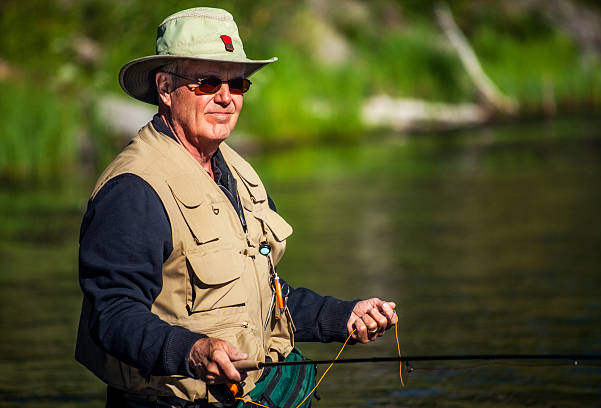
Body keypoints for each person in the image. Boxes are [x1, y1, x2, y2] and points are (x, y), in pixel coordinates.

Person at [75, 7, 397, 408]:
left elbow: (268, 297)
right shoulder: (133, 190)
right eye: (207, 82)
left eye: (237, 84)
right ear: (164, 87)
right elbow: (113, 314)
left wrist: (343, 317)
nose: (226, 98)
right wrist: (192, 351)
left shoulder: (239, 172)